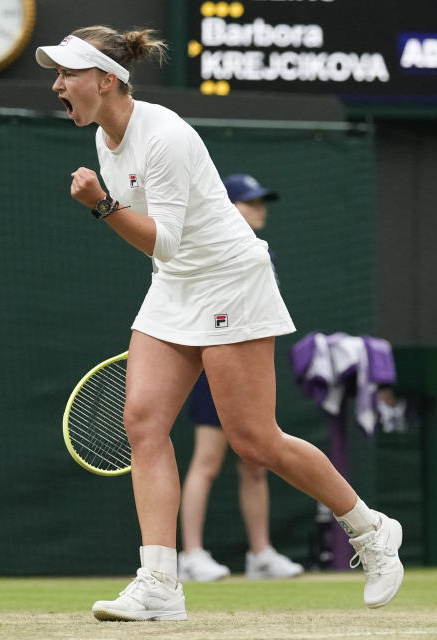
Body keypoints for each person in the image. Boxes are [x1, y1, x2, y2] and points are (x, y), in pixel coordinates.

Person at [35, 27, 404, 622]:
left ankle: (371, 529)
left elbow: (167, 239)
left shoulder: (166, 137)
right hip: (176, 283)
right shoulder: (107, 140)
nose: (56, 86)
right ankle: (159, 581)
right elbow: (163, 252)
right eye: (55, 75)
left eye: (67, 75)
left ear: (106, 80)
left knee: (255, 439)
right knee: (143, 420)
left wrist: (101, 206)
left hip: (230, 278)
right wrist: (110, 206)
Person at [178, 174, 304, 582]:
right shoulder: (213, 249)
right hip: (213, 366)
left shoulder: (259, 253)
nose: (259, 208)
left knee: (257, 462)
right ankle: (191, 555)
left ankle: (260, 554)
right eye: (250, 202)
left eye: (260, 201)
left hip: (250, 368)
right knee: (208, 462)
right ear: (228, 207)